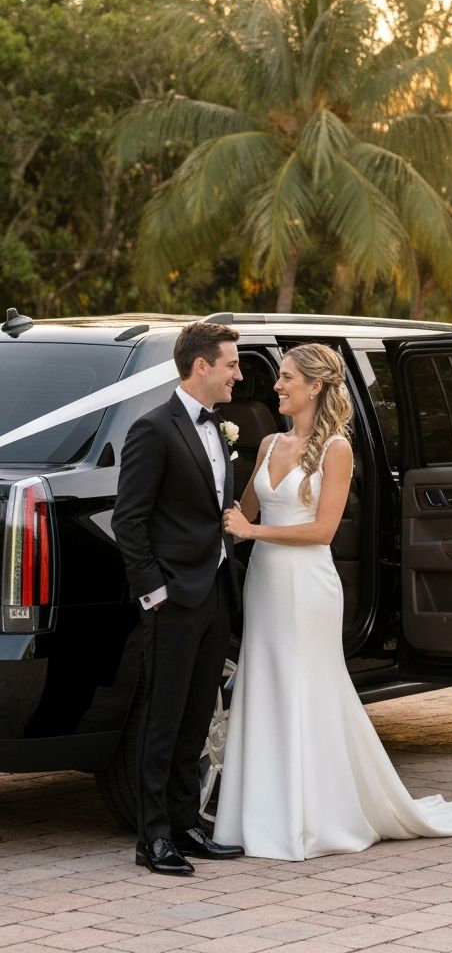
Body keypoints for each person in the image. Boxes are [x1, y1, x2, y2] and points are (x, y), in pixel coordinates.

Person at [214, 343, 452, 860]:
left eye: (285, 378)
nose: (276, 386)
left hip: (307, 584)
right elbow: (237, 517)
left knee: (307, 688)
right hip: (264, 581)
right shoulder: (266, 446)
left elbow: (323, 530)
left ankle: (313, 818)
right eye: (279, 377)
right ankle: (261, 813)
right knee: (265, 684)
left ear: (315, 387)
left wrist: (251, 528)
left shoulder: (336, 450)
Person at [112, 321, 247, 876]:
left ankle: (187, 823)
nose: (239, 373)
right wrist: (154, 593)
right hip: (172, 598)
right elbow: (129, 521)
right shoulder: (153, 429)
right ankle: (154, 839)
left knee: (197, 718)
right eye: (232, 364)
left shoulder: (218, 427)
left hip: (215, 591)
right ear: (201, 366)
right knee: (162, 722)